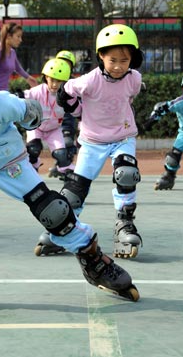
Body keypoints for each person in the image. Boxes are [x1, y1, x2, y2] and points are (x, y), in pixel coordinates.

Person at [0, 34, 139, 311]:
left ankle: (92, 259)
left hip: (11, 164)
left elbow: (30, 112)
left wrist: (32, 114)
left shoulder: (1, 103)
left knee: (54, 211)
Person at [53, 24, 144, 259]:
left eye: (124, 60)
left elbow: (129, 98)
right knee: (74, 190)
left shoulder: (134, 78)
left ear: (132, 59)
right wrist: (75, 109)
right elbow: (65, 92)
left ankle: (124, 224)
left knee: (126, 173)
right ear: (101, 56)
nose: (118, 66)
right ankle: (64, 229)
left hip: (123, 137)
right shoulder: (89, 80)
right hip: (92, 141)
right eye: (112, 59)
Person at [24, 58, 79, 175]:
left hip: (54, 129)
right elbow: (24, 97)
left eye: (59, 81)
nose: (54, 84)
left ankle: (66, 174)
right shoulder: (38, 91)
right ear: (45, 78)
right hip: (36, 127)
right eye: (52, 80)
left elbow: (78, 109)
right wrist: (16, 97)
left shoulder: (66, 95)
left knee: (61, 155)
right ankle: (33, 165)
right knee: (33, 149)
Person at [144, 72, 183, 190]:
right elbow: (162, 107)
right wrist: (152, 120)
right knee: (172, 158)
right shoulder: (180, 103)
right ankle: (169, 177)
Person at [47, 50, 79, 179]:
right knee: (58, 146)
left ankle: (66, 168)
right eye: (61, 62)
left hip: (68, 118)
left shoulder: (74, 83)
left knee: (68, 141)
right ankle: (60, 164)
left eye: (67, 64)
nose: (63, 66)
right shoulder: (50, 81)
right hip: (54, 119)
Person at [0, 22, 38, 91]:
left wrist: (29, 78)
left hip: (4, 92)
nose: (20, 40)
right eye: (18, 36)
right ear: (8, 36)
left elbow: (18, 68)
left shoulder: (12, 52)